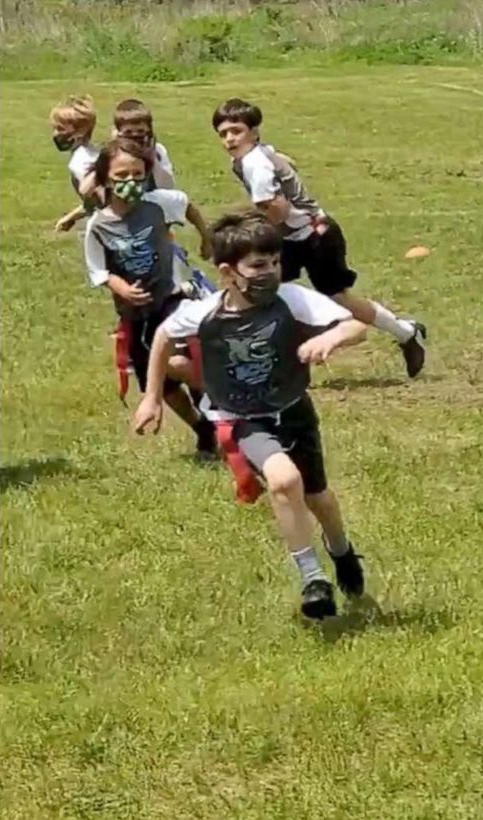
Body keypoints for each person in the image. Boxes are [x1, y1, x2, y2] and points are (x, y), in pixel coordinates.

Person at [132, 211, 372, 619]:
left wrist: (331, 337)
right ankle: (312, 578)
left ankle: (342, 551)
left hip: (294, 410)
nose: (270, 272)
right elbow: (162, 336)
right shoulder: (204, 312)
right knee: (284, 480)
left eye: (275, 262)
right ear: (228, 272)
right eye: (258, 266)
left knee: (319, 498)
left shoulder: (290, 300)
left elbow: (356, 326)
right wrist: (152, 397)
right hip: (244, 418)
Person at [211, 97, 429, 379]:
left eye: (236, 131)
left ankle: (407, 332)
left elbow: (277, 211)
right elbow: (284, 161)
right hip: (299, 235)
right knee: (266, 292)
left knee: (336, 297)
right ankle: (278, 359)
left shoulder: (255, 164)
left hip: (315, 237)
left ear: (254, 131)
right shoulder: (254, 154)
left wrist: (248, 227)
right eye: (223, 134)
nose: (229, 139)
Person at [81, 137, 217, 458]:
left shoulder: (159, 203)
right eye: (122, 176)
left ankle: (215, 405)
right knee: (162, 388)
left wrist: (206, 236)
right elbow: (98, 270)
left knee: (178, 361)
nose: (131, 183)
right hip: (135, 314)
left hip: (173, 298)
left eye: (138, 175)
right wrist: (121, 288)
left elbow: (188, 206)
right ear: (104, 180)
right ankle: (203, 429)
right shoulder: (98, 226)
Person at [49, 95, 100, 232]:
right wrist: (72, 217)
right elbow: (93, 204)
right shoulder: (93, 152)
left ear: (81, 131)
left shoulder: (81, 164)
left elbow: (102, 203)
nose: (55, 134)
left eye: (60, 129)